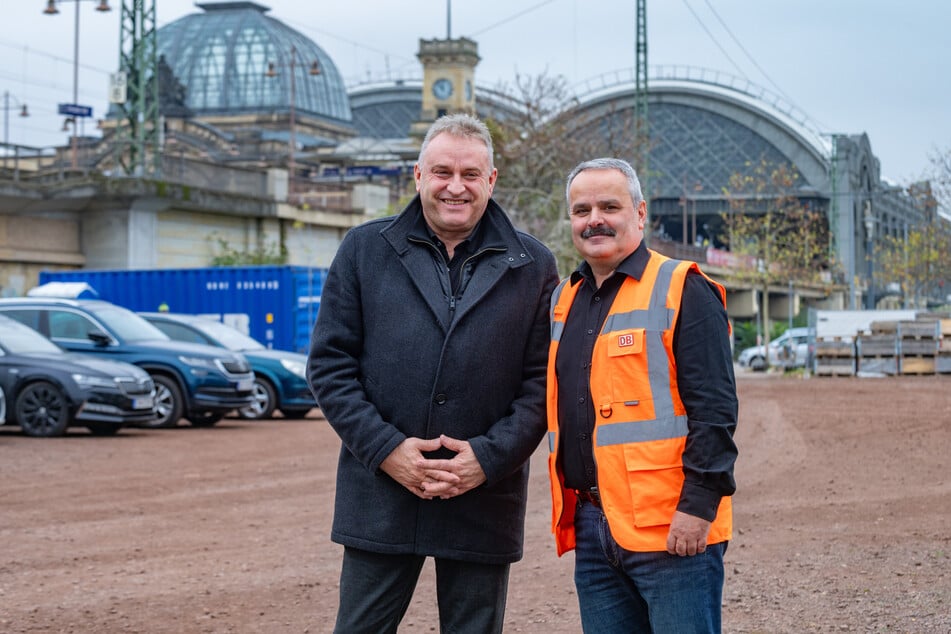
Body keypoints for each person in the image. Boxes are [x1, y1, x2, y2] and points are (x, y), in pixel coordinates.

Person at [307, 113, 558, 633]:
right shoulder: (364, 249)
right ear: (418, 175)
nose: (455, 187)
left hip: (482, 496)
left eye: (470, 174)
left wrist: (485, 460)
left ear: (491, 181)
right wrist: (387, 451)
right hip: (382, 490)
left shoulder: (533, 265)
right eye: (442, 172)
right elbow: (330, 366)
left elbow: (541, 387)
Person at [547, 157, 738, 633]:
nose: (594, 219)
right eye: (581, 209)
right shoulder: (564, 300)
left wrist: (697, 508)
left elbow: (715, 412)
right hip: (594, 526)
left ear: (640, 212)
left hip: (673, 528)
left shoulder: (683, 288)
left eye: (609, 206)